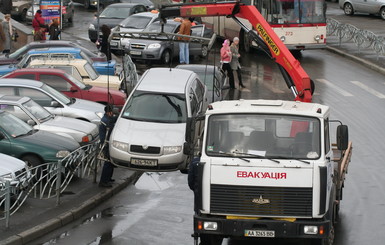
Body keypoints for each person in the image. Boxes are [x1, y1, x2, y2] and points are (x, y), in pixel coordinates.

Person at [99, 105, 117, 188]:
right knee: (108, 163)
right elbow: (110, 126)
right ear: (108, 112)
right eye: (111, 112)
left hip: (109, 143)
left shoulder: (108, 118)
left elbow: (113, 119)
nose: (112, 113)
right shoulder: (105, 121)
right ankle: (103, 181)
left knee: (111, 162)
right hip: (106, 144)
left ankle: (108, 178)